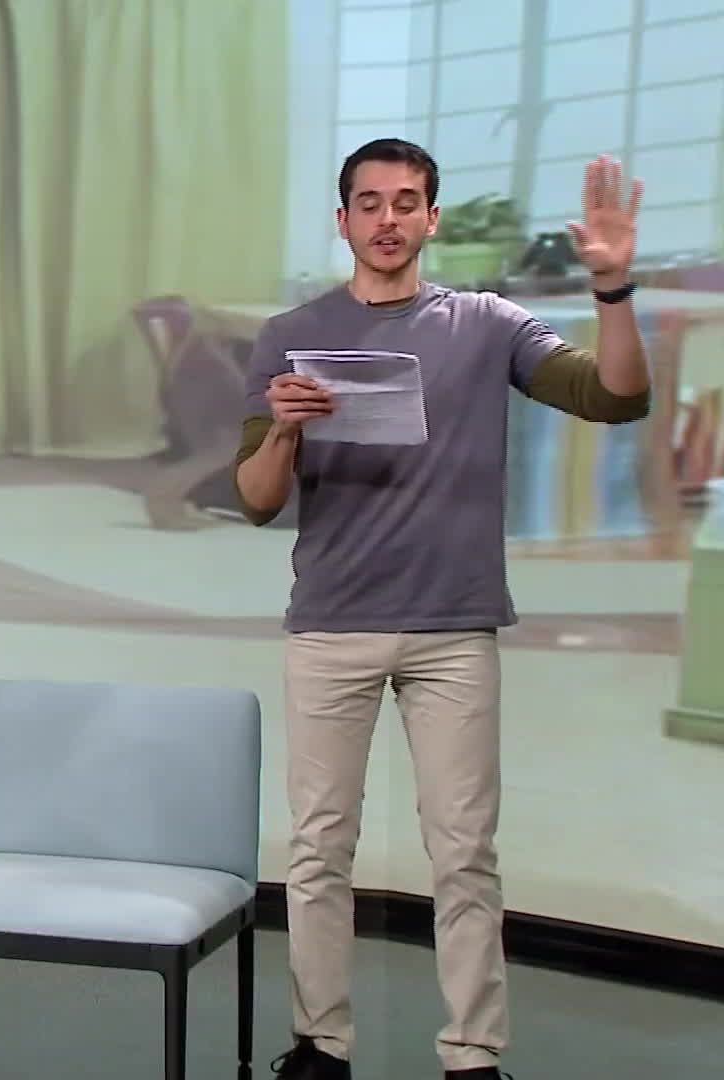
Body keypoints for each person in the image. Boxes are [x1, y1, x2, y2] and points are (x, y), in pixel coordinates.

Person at [237, 140, 649, 1080]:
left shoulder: (488, 323)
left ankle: (472, 1053)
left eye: (405, 202)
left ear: (432, 219)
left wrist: (613, 289)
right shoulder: (290, 336)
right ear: (342, 220)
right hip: (331, 625)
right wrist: (286, 429)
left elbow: (615, 398)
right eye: (369, 203)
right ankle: (320, 1044)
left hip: (453, 629)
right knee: (319, 851)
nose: (387, 219)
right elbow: (257, 498)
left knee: (464, 853)